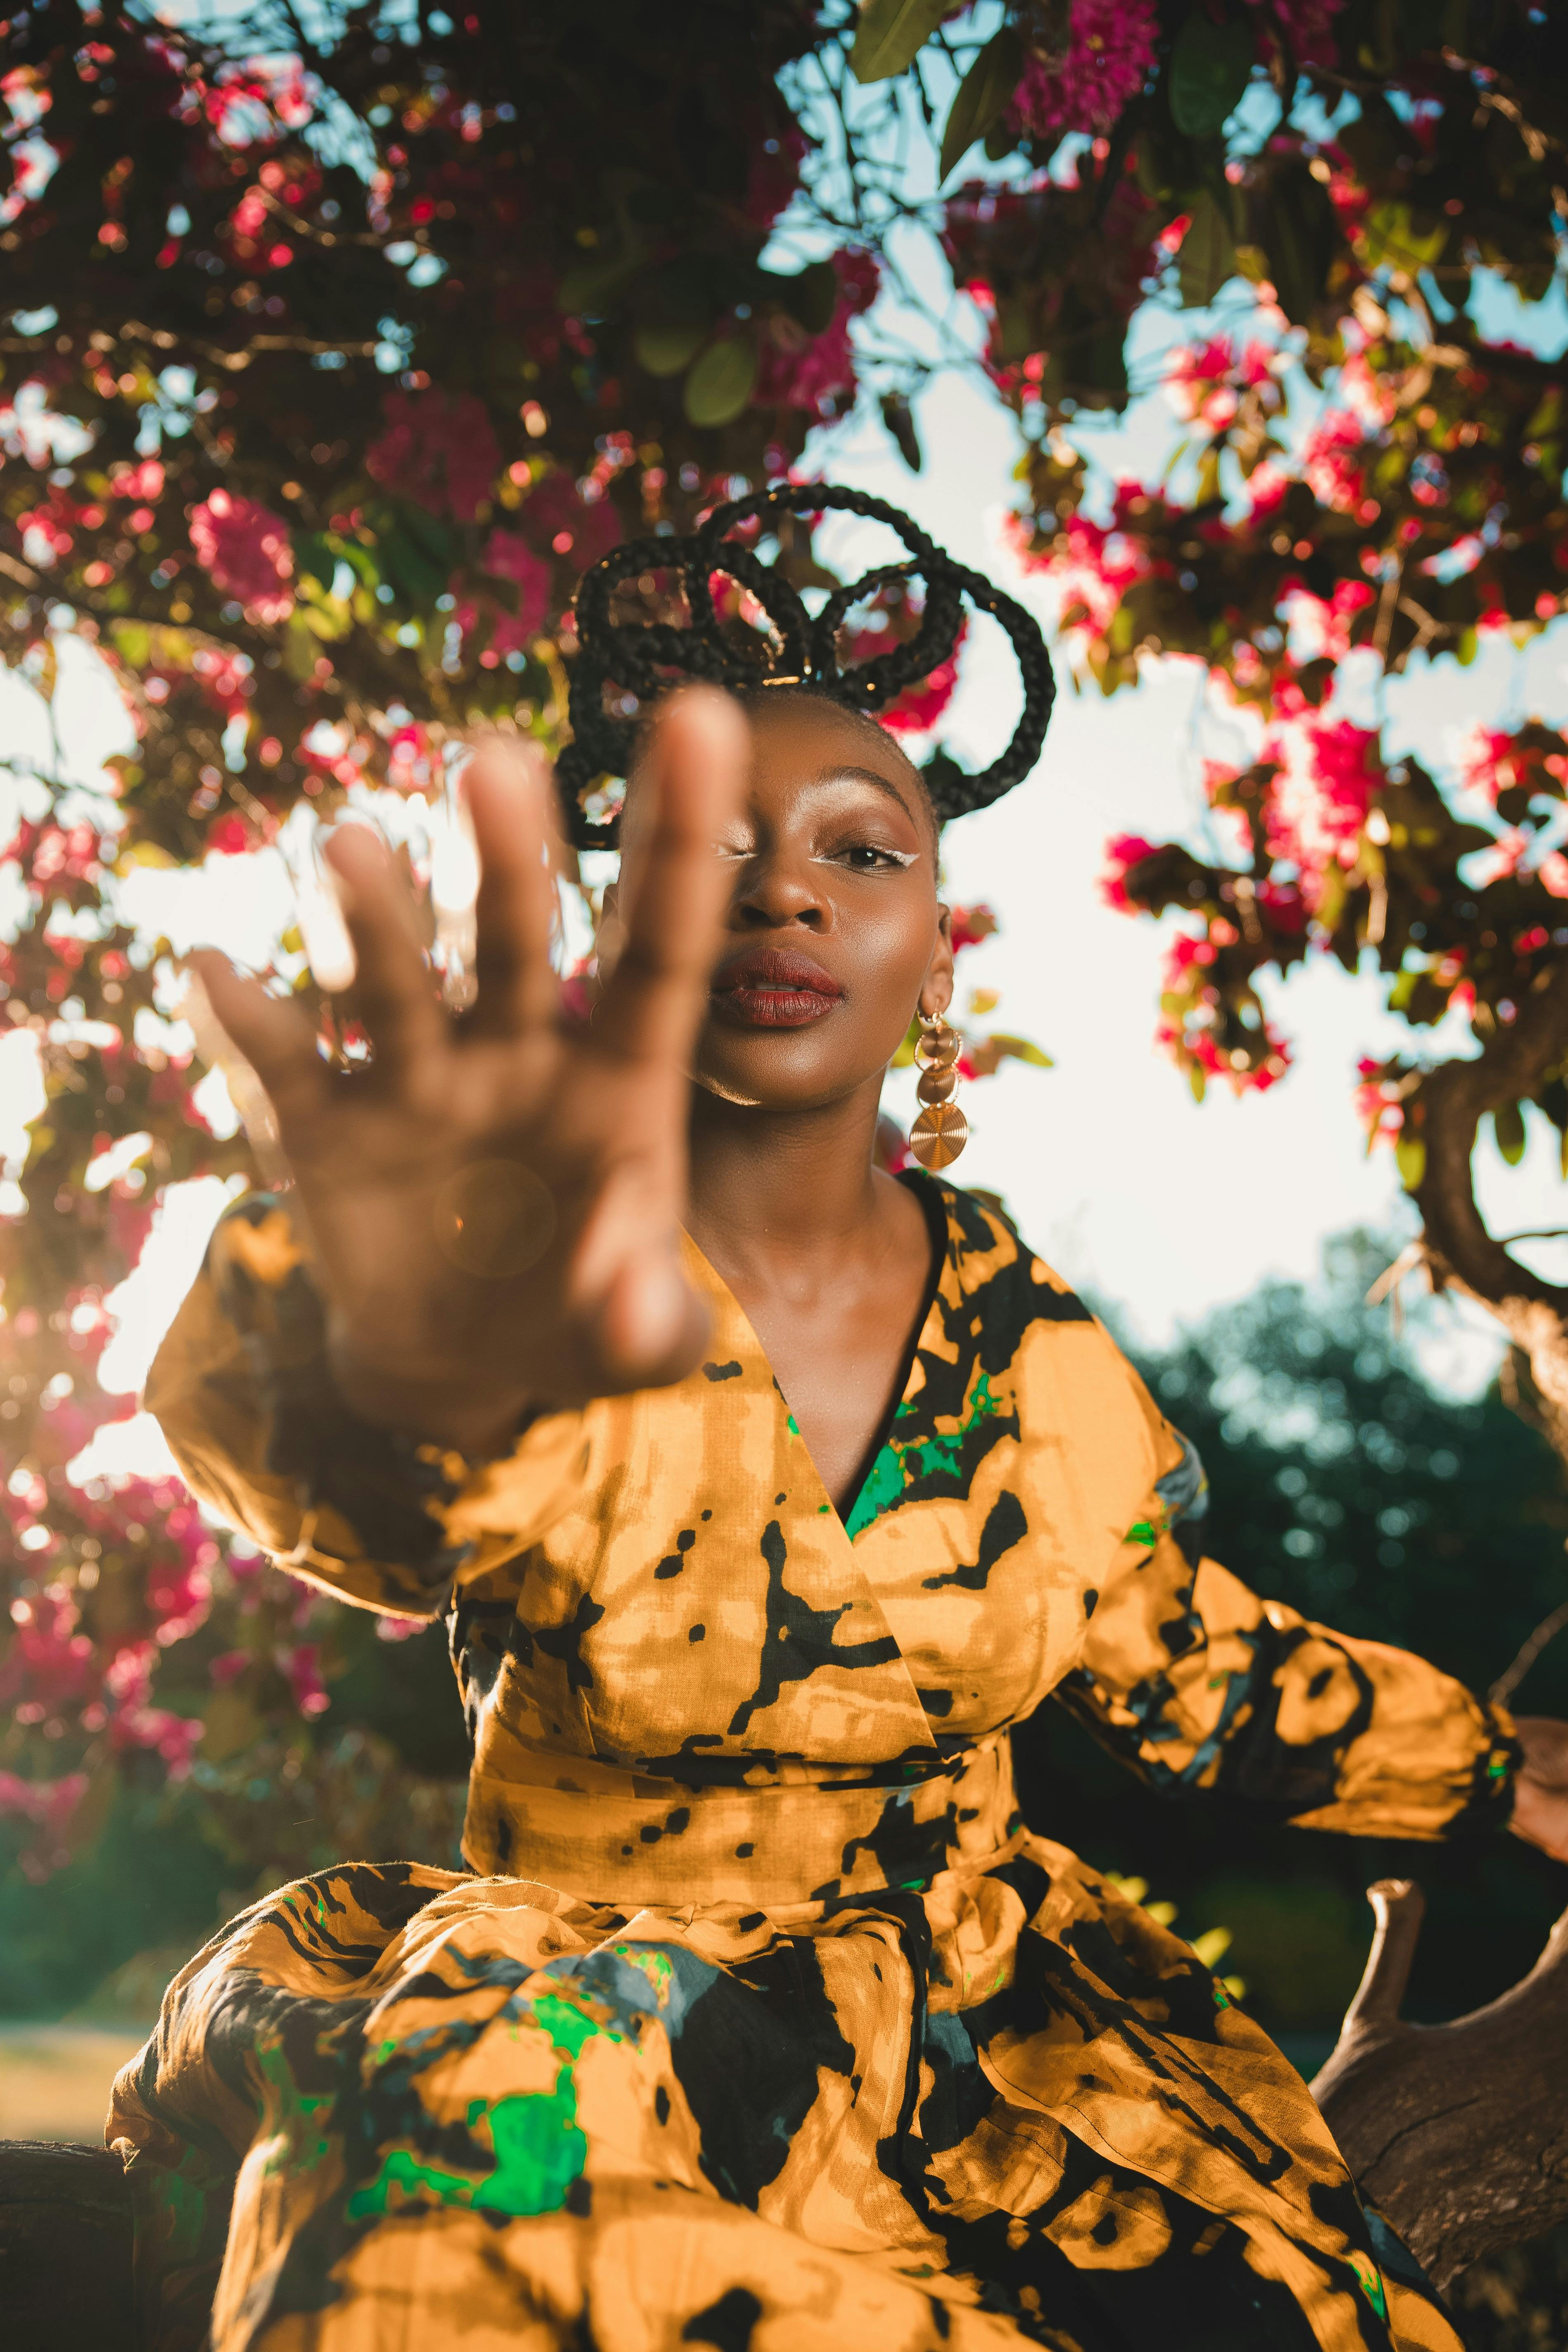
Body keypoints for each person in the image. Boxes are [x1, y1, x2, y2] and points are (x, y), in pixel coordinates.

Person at [116, 486, 1568, 2352]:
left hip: (1007, 2053)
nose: (782, 888)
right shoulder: (536, 1268)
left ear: (938, 948)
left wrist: (1495, 1763)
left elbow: (1185, 1659)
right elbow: (381, 1495)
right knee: (446, 2203)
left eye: (857, 848)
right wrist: (356, 1327)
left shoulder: (1038, 1350)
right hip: (590, 2028)